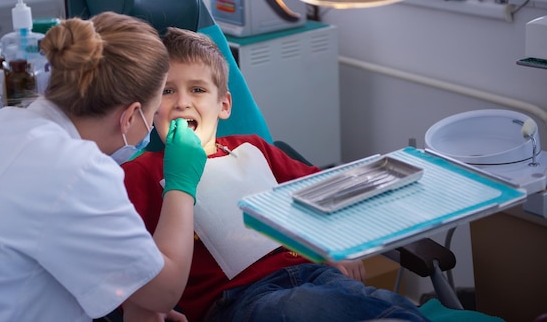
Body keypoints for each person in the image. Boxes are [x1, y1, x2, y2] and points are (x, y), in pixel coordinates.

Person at [122, 27, 430, 322]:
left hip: (319, 274)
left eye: (198, 89)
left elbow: (323, 193)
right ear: (150, 106)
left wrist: (334, 246)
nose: (182, 102)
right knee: (305, 306)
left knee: (379, 304)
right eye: (167, 91)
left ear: (224, 105)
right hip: (240, 299)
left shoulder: (252, 148)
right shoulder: (139, 173)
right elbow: (118, 258)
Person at [0, 12, 207, 322]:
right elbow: (164, 292)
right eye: (152, 115)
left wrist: (137, 298)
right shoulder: (78, 171)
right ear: (130, 116)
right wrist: (180, 184)